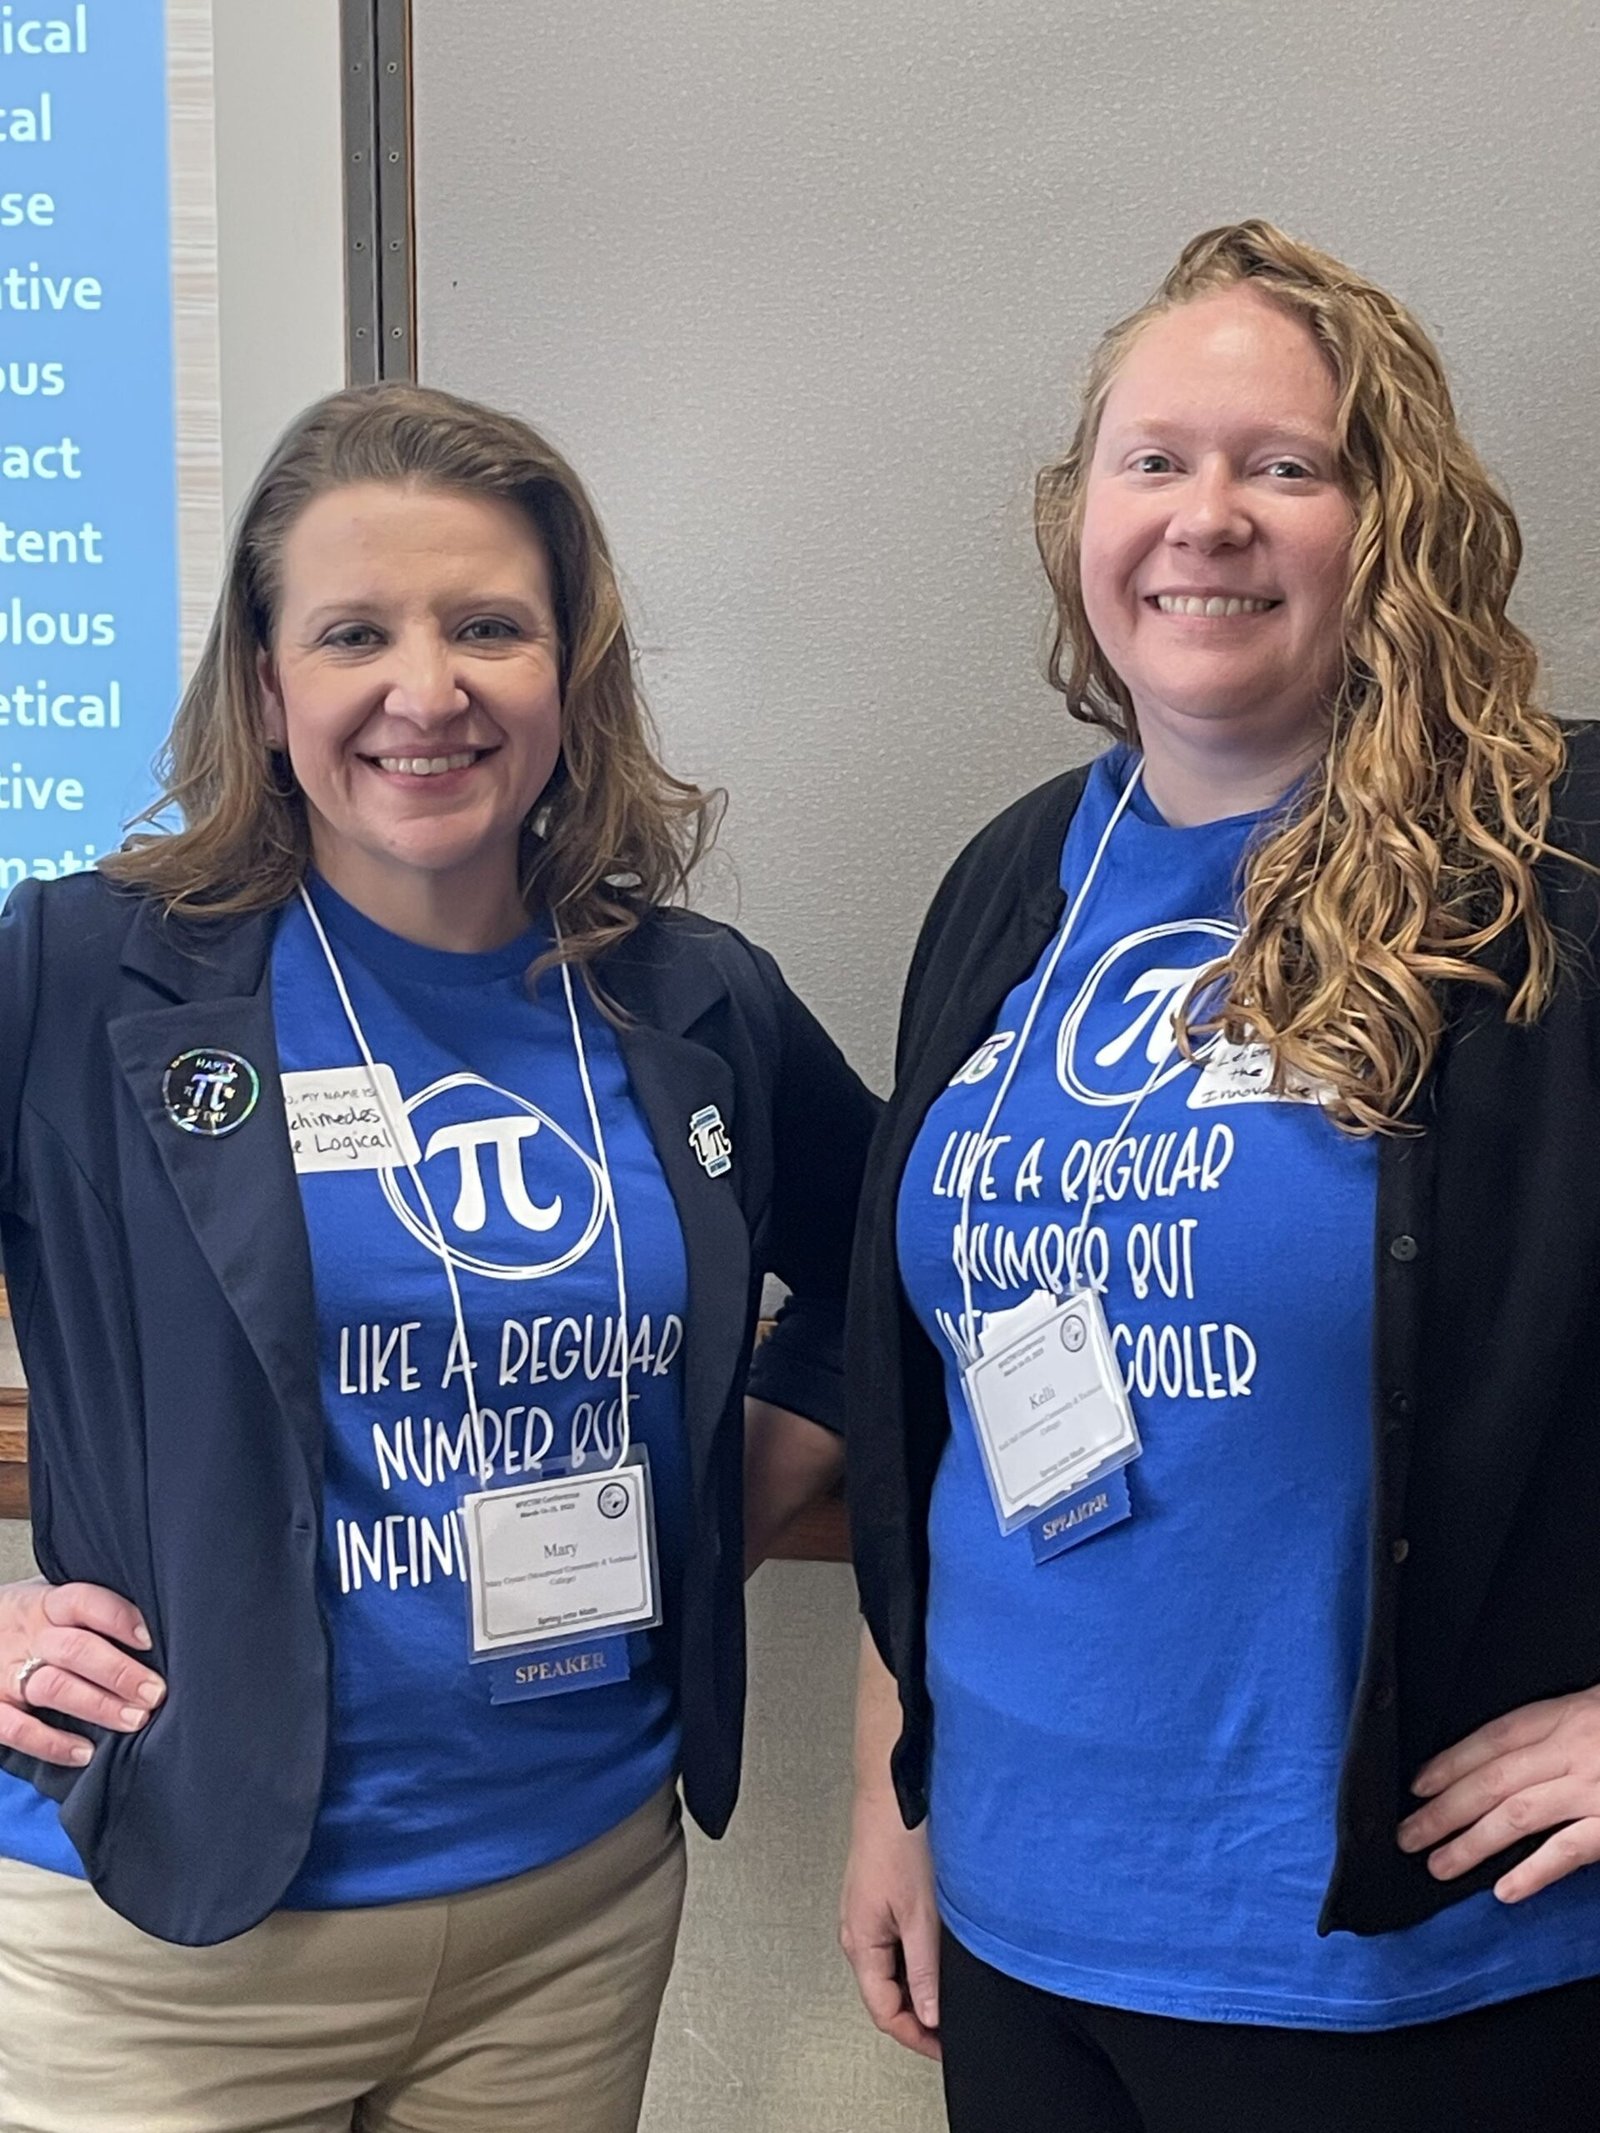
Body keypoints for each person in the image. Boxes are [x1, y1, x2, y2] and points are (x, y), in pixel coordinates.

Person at [0, 382, 874, 2133]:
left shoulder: (692, 997)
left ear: (569, 672)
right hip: (165, 1933)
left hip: (574, 1907)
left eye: (489, 626)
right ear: (266, 688)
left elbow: (897, 1261)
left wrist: (725, 1496)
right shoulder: (85, 973)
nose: (428, 688)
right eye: (355, 633)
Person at [840, 220, 1600, 2133]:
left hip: (1409, 1969)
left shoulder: (1550, 859)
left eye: (1287, 464)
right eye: (1154, 459)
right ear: (1079, 518)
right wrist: (889, 1792)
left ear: (1394, 519)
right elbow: (931, 1391)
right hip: (1019, 1927)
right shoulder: (1016, 877)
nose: (1209, 516)